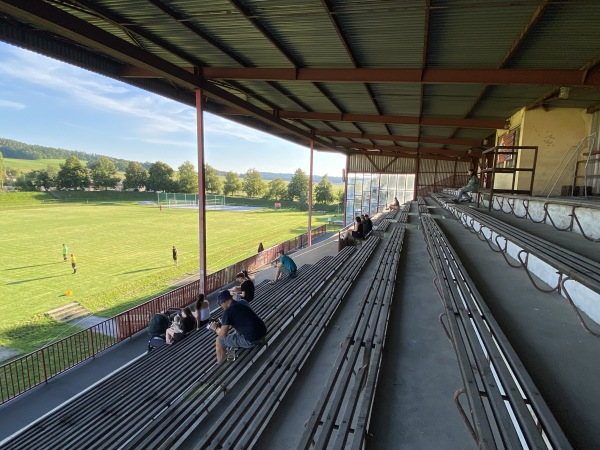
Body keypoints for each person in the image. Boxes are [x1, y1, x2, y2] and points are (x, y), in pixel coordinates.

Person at [209, 290, 267, 363]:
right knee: (235, 333)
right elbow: (243, 317)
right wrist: (224, 322)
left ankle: (220, 363)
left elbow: (223, 334)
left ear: (223, 302)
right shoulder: (243, 302)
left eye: (220, 304)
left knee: (219, 340)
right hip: (262, 332)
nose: (220, 306)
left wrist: (215, 328)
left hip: (252, 340)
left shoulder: (227, 312)